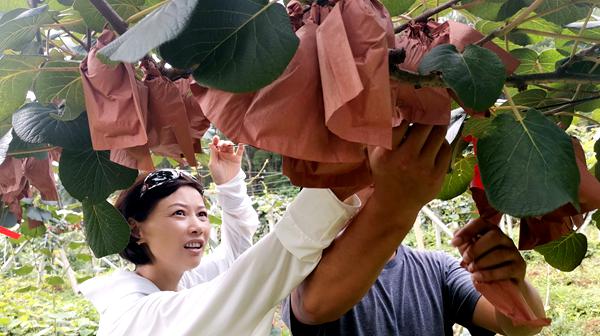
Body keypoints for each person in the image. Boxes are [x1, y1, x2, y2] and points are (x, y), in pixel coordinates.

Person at [80, 134, 367, 336]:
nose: (197, 226)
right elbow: (245, 282)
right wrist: (334, 190)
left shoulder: (184, 281)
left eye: (202, 214)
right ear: (136, 228)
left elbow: (237, 254)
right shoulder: (133, 315)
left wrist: (230, 183)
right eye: (179, 213)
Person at [283, 124, 547, 335]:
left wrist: (510, 280)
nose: (376, 176)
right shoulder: (305, 264)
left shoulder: (437, 269)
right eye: (364, 166)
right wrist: (397, 201)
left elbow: (520, 327)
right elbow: (314, 306)